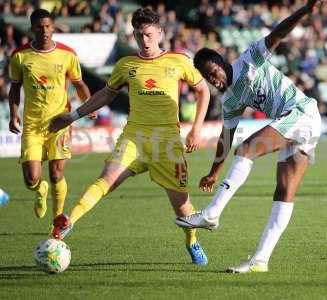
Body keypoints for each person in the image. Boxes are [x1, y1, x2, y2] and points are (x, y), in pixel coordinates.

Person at [49, 8, 211, 265]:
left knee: (183, 209)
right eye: (138, 35)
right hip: (134, 136)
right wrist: (72, 116)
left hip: (167, 142)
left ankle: (191, 241)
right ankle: (69, 221)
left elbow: (204, 91)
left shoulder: (178, 61)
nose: (143, 41)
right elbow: (105, 94)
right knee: (107, 179)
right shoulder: (126, 65)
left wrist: (197, 128)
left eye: (147, 35)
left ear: (159, 32)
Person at [176, 0, 322, 273]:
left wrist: (304, 11)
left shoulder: (250, 58)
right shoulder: (231, 101)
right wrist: (213, 172)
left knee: (247, 150)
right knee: (284, 192)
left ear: (221, 61)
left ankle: (212, 213)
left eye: (213, 71)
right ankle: (260, 260)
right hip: (299, 122)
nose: (213, 79)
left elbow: (278, 33)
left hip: (302, 112)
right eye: (208, 77)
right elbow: (225, 136)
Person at [8, 9, 91, 221]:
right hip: (32, 124)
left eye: (47, 26)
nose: (44, 31)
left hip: (59, 122)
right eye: (39, 27)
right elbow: (15, 88)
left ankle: (57, 222)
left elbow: (79, 84)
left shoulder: (67, 54)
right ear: (32, 29)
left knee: (57, 174)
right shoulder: (20, 56)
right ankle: (39, 189)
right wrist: (13, 114)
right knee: (31, 179)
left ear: (53, 27)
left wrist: (90, 106)